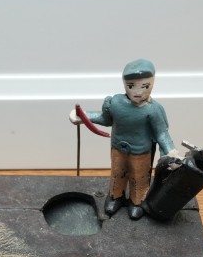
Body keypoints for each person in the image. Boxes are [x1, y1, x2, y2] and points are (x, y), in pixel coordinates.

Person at [70, 59, 179, 220]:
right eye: (131, 86)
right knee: (117, 174)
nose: (137, 92)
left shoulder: (153, 110)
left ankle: (137, 202)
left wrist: (170, 153)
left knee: (139, 178)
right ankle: (115, 197)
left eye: (144, 86)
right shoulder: (115, 103)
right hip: (118, 149)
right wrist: (84, 117)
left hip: (141, 153)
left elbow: (161, 134)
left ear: (152, 83)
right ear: (124, 84)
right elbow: (105, 119)